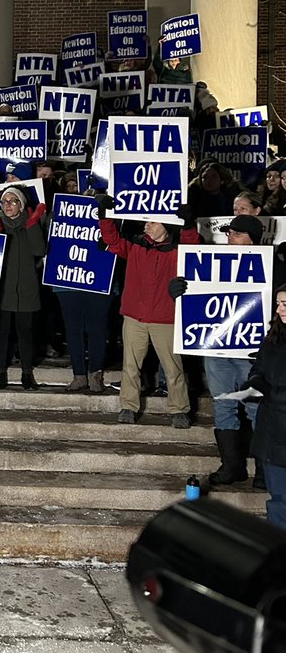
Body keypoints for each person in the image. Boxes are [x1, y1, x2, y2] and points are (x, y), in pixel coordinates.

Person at [169, 214, 266, 488]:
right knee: (223, 404)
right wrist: (179, 291)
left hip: (252, 352)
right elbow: (197, 295)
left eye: (236, 233)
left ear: (252, 238)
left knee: (256, 407)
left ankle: (262, 469)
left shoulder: (272, 267)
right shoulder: (211, 264)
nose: (229, 237)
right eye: (229, 232)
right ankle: (232, 465)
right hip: (216, 348)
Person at [97, 198, 200, 427]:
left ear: (166, 225)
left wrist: (189, 224)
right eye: (146, 222)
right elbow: (111, 240)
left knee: (173, 367)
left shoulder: (177, 251)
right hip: (135, 317)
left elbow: (192, 244)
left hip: (166, 319)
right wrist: (105, 215)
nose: (146, 225)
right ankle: (128, 407)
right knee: (131, 366)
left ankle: (179, 409)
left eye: (152, 222)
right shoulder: (135, 245)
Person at [0, 187, 47, 390]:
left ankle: (27, 373)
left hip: (26, 290)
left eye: (13, 201)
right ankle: (0, 373)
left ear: (21, 204)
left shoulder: (29, 225)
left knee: (25, 333)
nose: (8, 205)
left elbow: (39, 250)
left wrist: (32, 224)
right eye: (4, 201)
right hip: (2, 291)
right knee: (1, 333)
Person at [247, 285, 286, 528]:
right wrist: (253, 386)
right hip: (274, 432)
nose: (280, 309)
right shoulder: (273, 338)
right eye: (279, 303)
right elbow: (259, 370)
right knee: (279, 500)